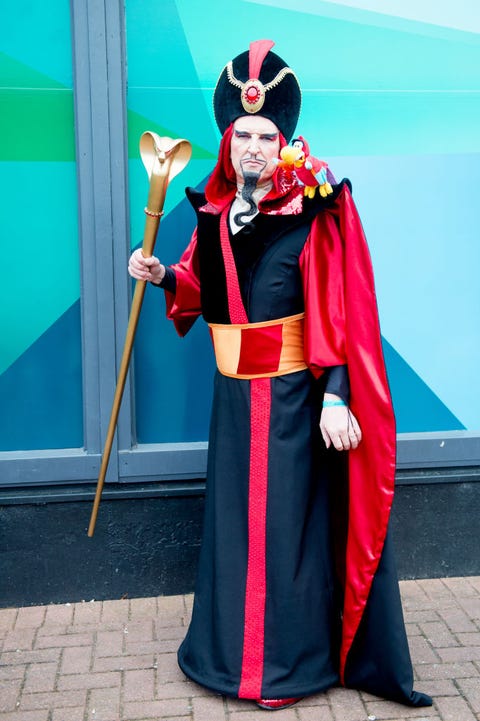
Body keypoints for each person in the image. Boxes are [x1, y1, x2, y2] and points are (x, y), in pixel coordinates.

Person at [128, 40, 432, 711]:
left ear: (285, 142)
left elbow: (339, 307)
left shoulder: (315, 211)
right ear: (229, 142)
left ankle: (284, 665)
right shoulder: (212, 215)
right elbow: (202, 291)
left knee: (285, 530)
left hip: (296, 400)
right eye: (245, 136)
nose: (256, 149)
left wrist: (337, 394)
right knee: (238, 526)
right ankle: (228, 656)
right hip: (232, 401)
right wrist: (161, 277)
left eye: (268, 136)